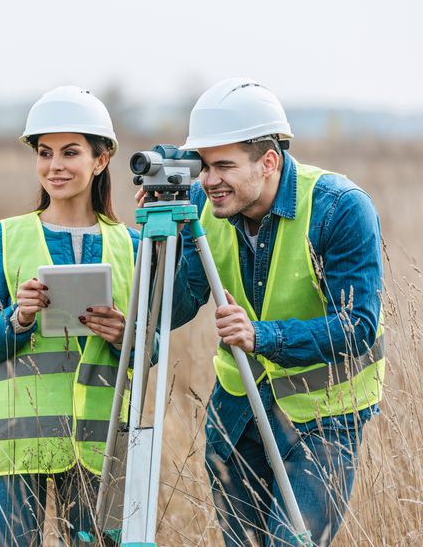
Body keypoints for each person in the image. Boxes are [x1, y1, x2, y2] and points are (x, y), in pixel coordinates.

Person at [157, 78, 384, 546]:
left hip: (325, 419)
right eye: (202, 166)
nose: (208, 180)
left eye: (223, 166)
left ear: (269, 161)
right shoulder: (201, 204)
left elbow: (358, 325)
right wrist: (164, 235)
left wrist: (263, 337)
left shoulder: (339, 208)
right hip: (238, 409)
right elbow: (179, 303)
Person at [0, 86, 139, 546]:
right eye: (45, 153)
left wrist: (125, 334)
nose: (54, 165)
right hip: (17, 437)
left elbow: (151, 346)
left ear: (101, 160)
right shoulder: (4, 237)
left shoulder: (134, 245)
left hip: (99, 438)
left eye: (70, 152)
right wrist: (17, 319)